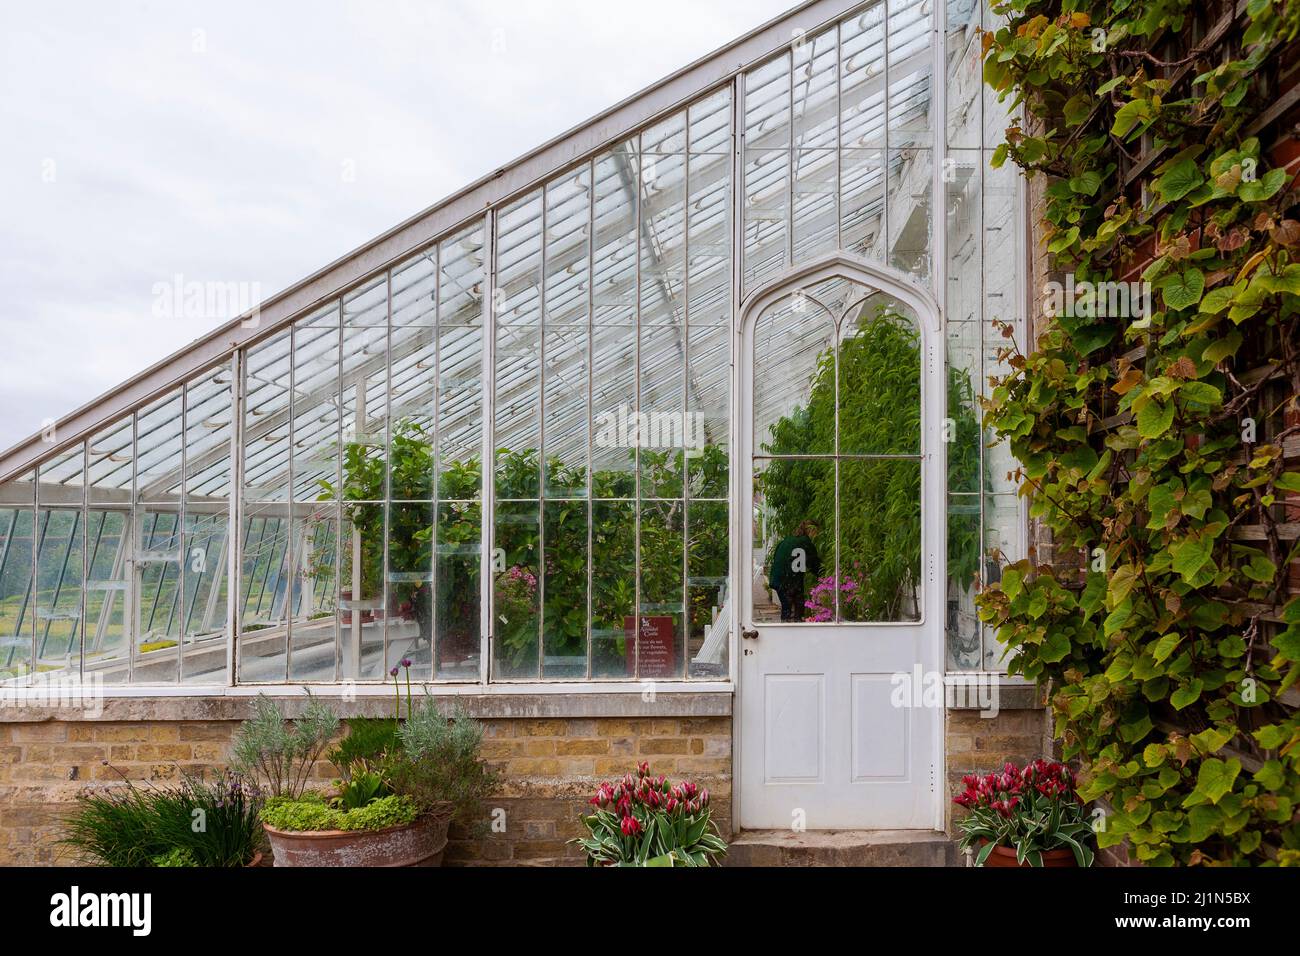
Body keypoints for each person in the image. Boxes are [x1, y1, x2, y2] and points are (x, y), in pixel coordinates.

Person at [768, 521, 821, 622]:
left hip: (778, 579)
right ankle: (792, 631)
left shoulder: (786, 540)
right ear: (811, 530)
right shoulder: (806, 542)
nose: (817, 535)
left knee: (787, 609)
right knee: (796, 609)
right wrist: (825, 579)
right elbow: (815, 565)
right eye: (816, 532)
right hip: (790, 581)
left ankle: (788, 628)